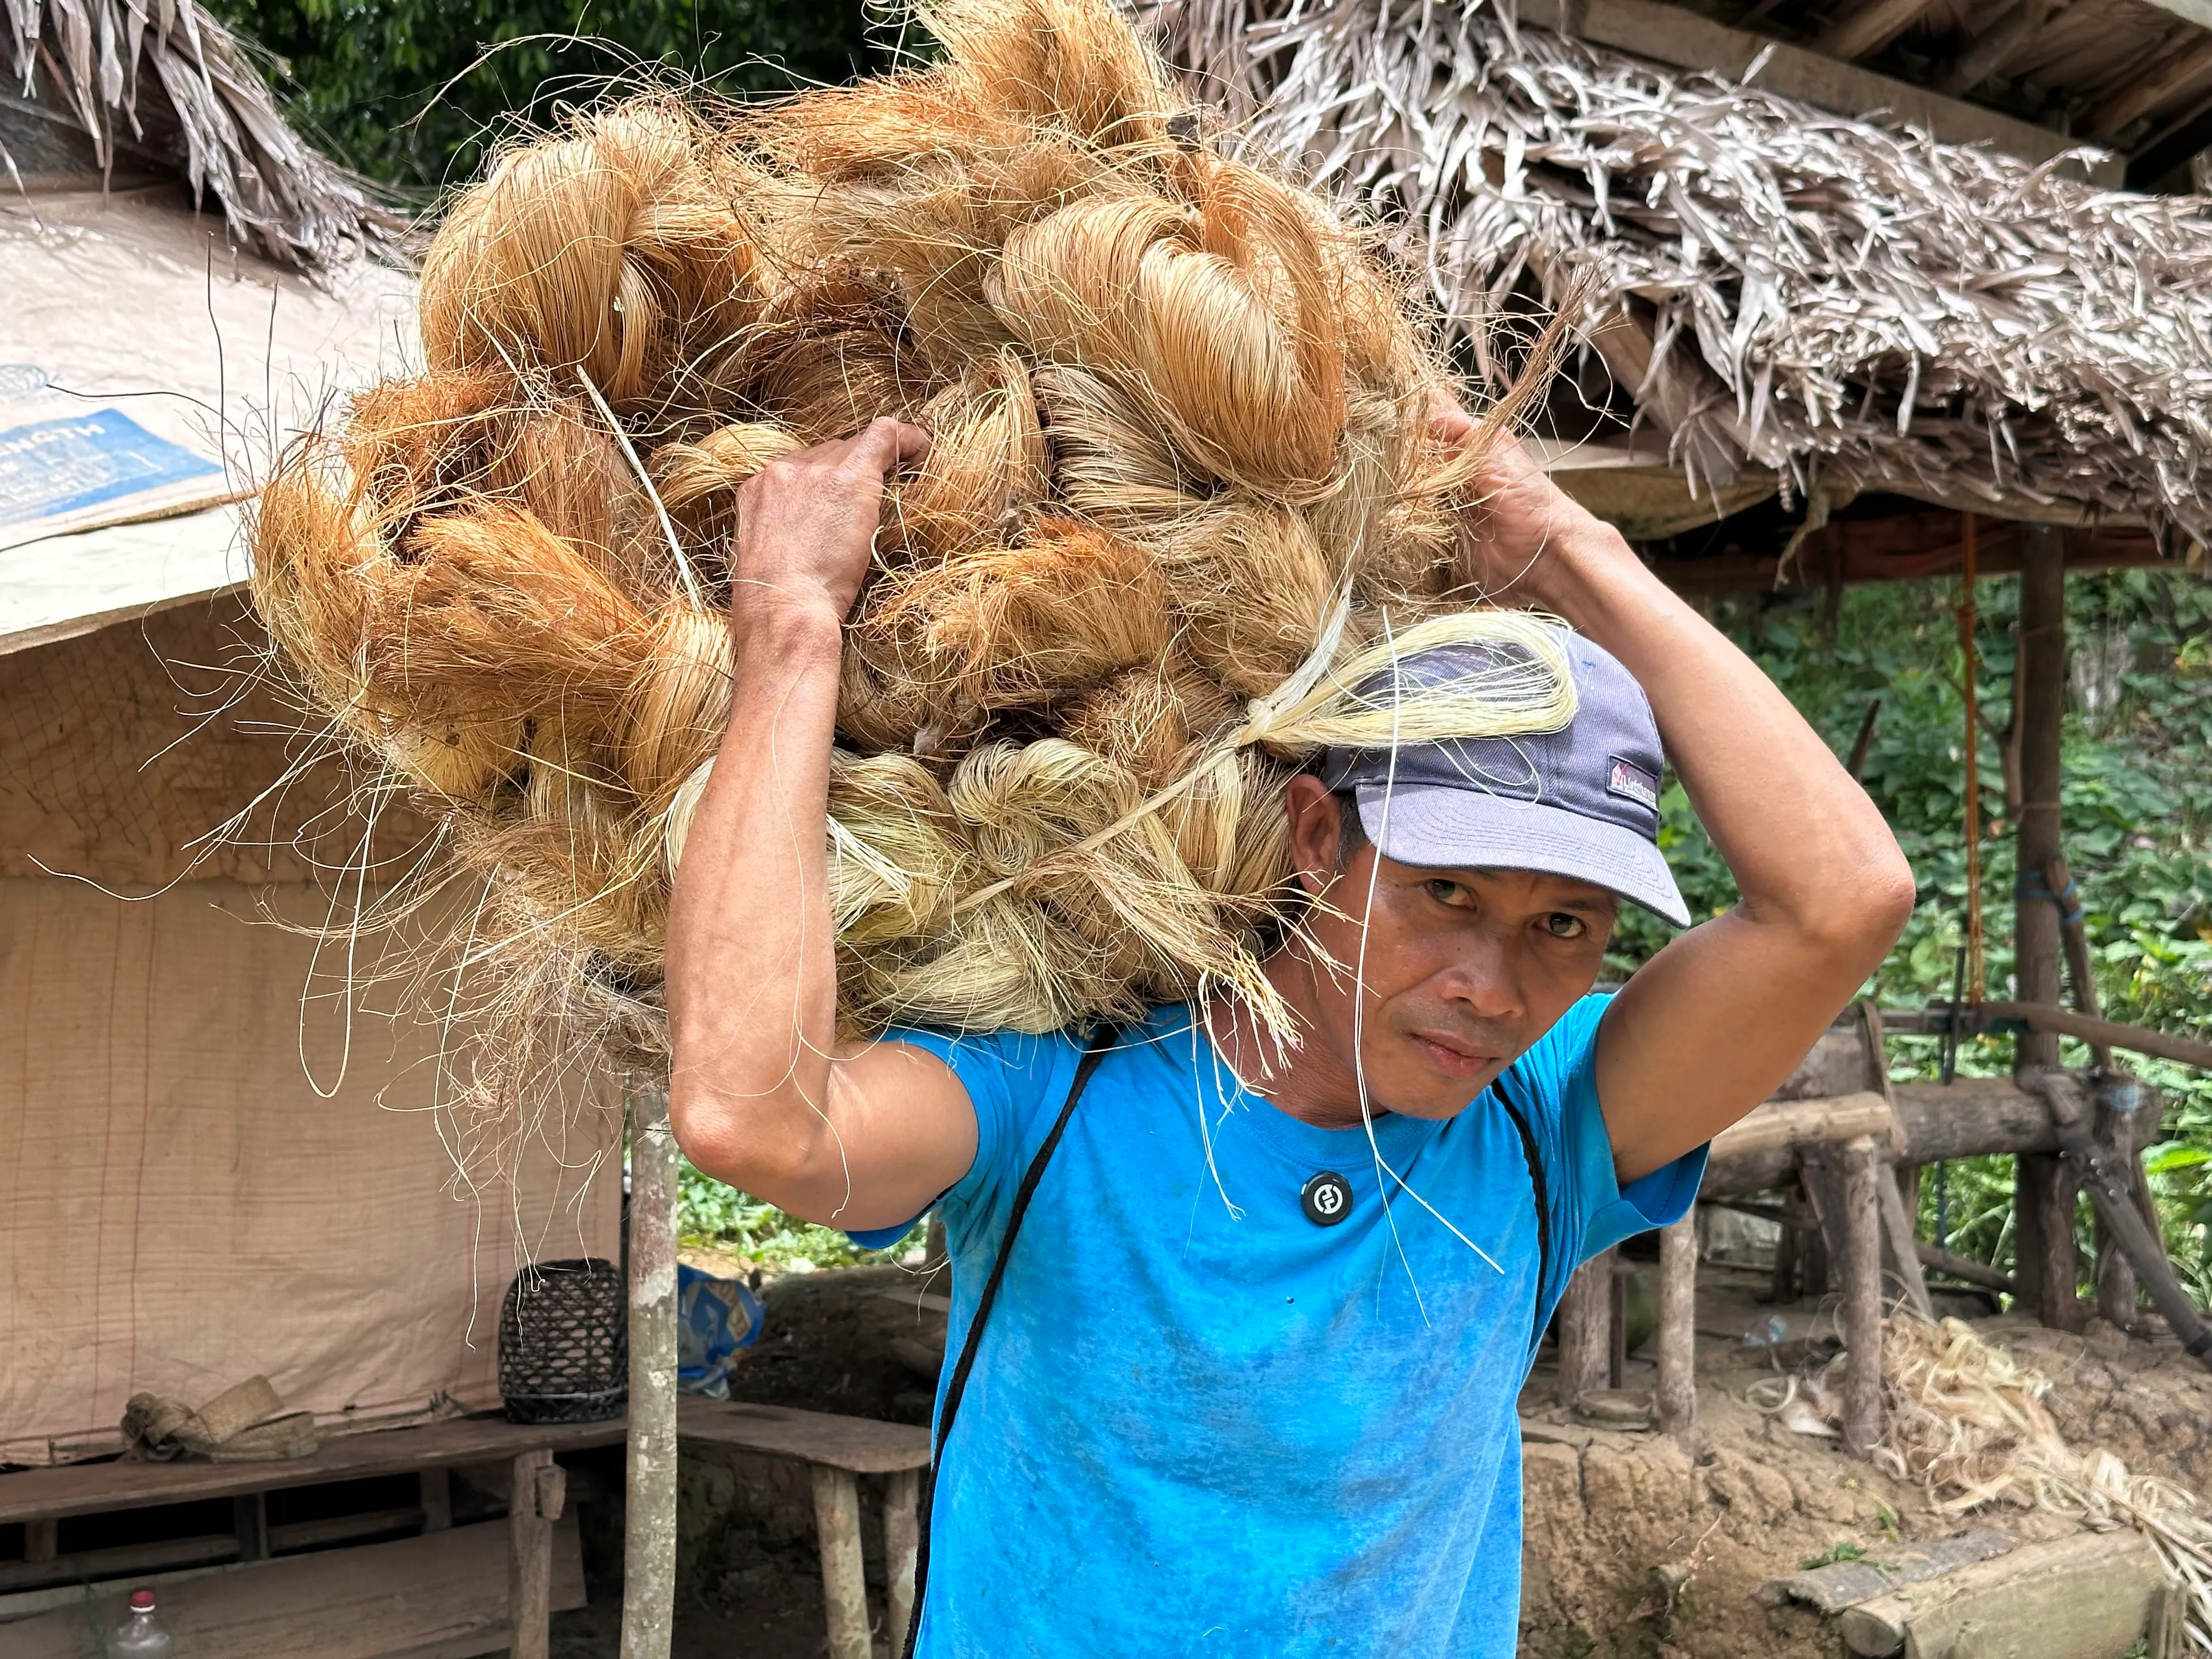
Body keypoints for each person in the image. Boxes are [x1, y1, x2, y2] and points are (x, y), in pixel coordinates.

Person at [664, 405, 1915, 1658]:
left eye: (1565, 925)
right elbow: (756, 1115)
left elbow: (1842, 901)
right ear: (1319, 840)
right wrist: (790, 634)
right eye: (1447, 894)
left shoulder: (1545, 1132)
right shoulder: (1065, 1088)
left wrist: (1567, 547)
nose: (1492, 986)